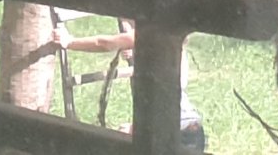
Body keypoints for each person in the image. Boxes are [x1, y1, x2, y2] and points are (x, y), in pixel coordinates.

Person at [50, 24, 206, 152]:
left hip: (173, 129)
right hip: (190, 127)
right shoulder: (171, 42)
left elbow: (104, 43)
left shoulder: (151, 32)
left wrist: (69, 41)